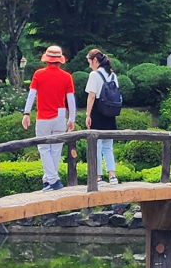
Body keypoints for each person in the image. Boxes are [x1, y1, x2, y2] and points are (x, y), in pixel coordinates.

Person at [22, 45, 76, 190]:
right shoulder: (67, 77)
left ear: (46, 60)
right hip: (60, 117)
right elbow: (71, 100)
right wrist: (72, 119)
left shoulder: (39, 74)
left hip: (43, 117)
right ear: (60, 60)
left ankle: (53, 180)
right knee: (56, 149)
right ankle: (47, 180)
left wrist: (26, 113)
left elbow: (31, 95)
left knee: (44, 148)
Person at [83, 48, 119, 185]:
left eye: (90, 61)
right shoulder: (113, 75)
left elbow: (91, 96)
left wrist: (88, 114)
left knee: (96, 145)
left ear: (95, 60)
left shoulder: (94, 75)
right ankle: (112, 175)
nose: (89, 65)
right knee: (108, 146)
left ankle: (98, 177)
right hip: (110, 112)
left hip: (98, 112)